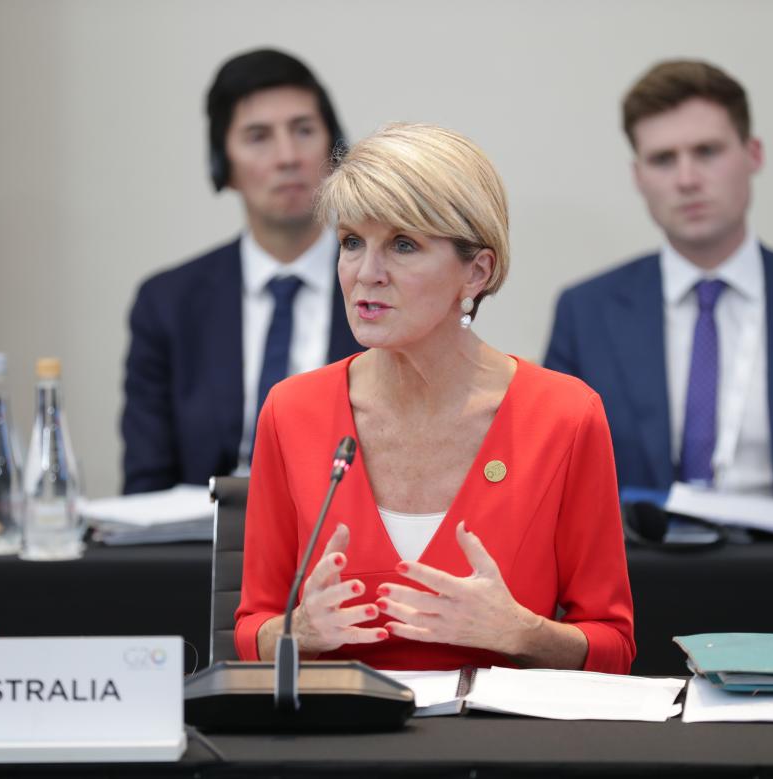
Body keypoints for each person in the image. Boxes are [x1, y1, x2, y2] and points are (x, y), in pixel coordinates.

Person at [234, 124, 635, 674]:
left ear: (477, 271)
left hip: (495, 748)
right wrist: (298, 631)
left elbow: (613, 646)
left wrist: (522, 633)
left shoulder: (565, 416)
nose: (366, 274)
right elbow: (251, 628)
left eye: (403, 245)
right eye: (352, 242)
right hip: (341, 746)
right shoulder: (291, 411)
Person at [544, 60, 773, 512]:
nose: (687, 180)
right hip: (641, 575)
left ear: (753, 154)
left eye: (707, 151)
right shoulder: (587, 314)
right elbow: (557, 492)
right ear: (638, 177)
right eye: (663, 159)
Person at [121, 49, 362, 493]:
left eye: (304, 130)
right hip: (205, 551)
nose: (288, 156)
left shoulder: (382, 286)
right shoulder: (168, 304)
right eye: (258, 136)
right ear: (223, 165)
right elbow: (146, 486)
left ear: (334, 150)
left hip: (351, 544)